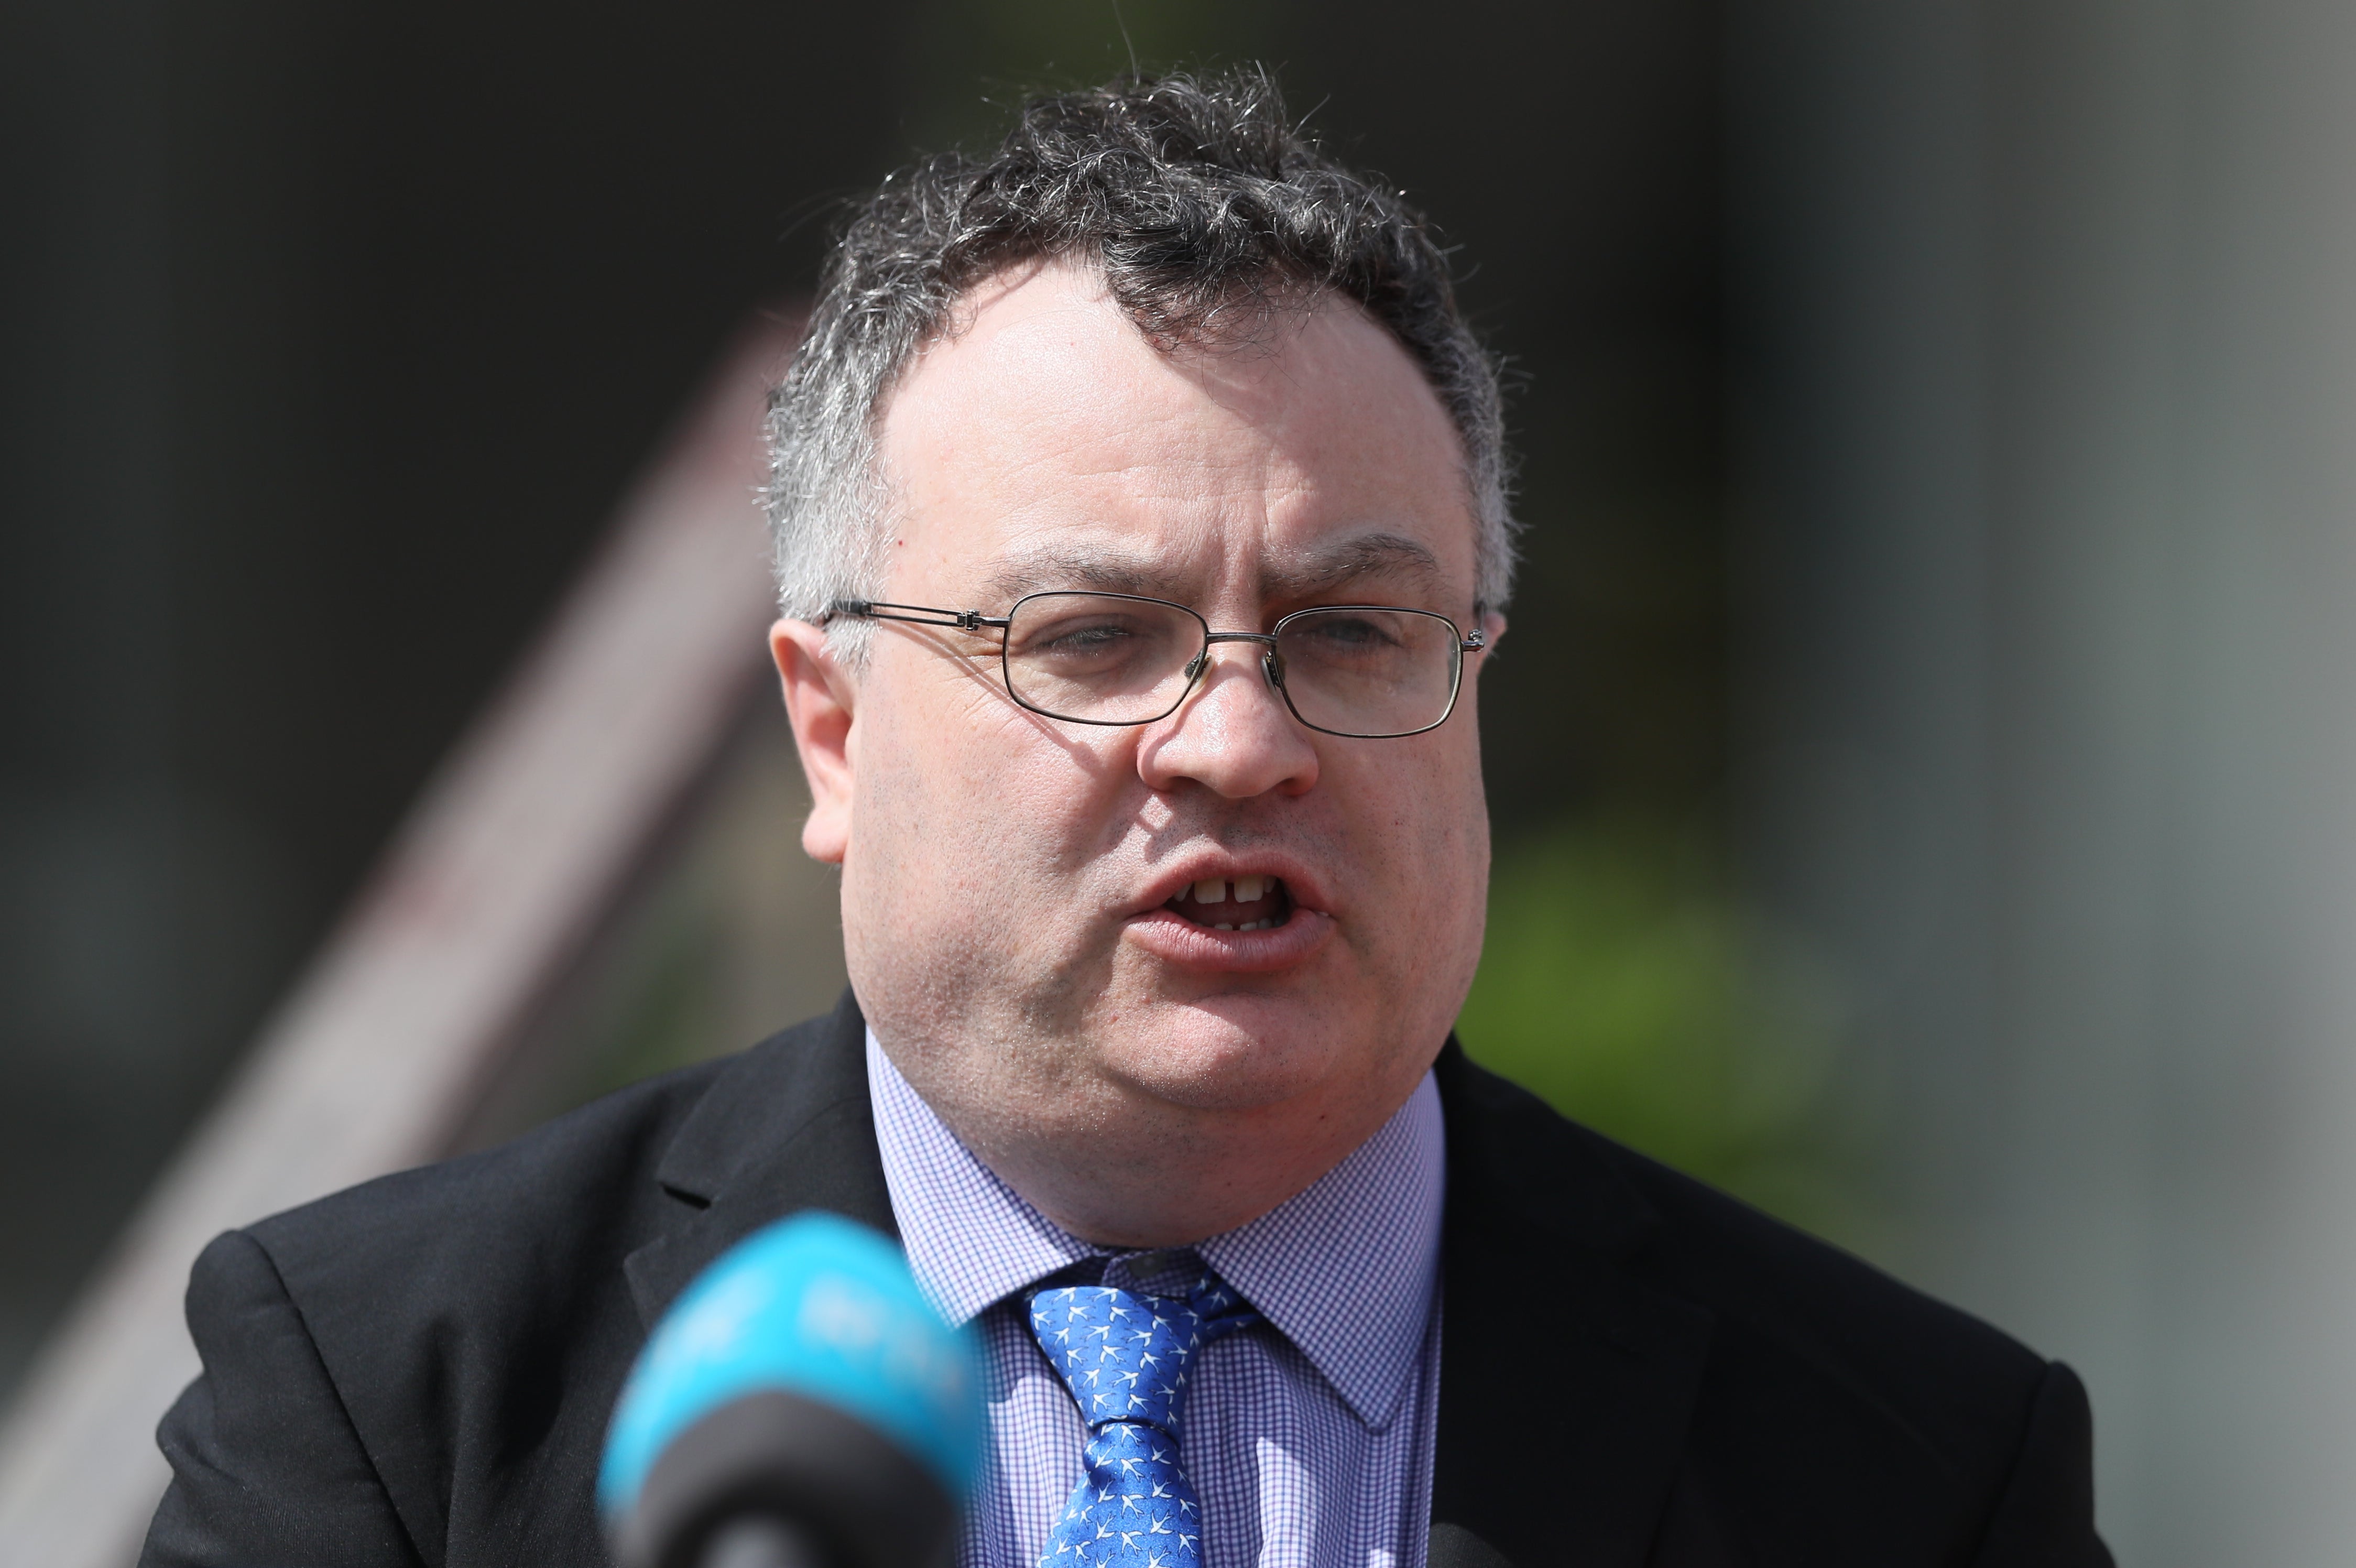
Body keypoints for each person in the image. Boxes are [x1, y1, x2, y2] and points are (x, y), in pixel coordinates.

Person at [141, 70, 2111, 1568]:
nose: (1238, 743)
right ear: (833, 734)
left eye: (1352, 632)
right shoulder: (393, 1391)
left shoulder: (1912, 1472)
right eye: (1091, 639)